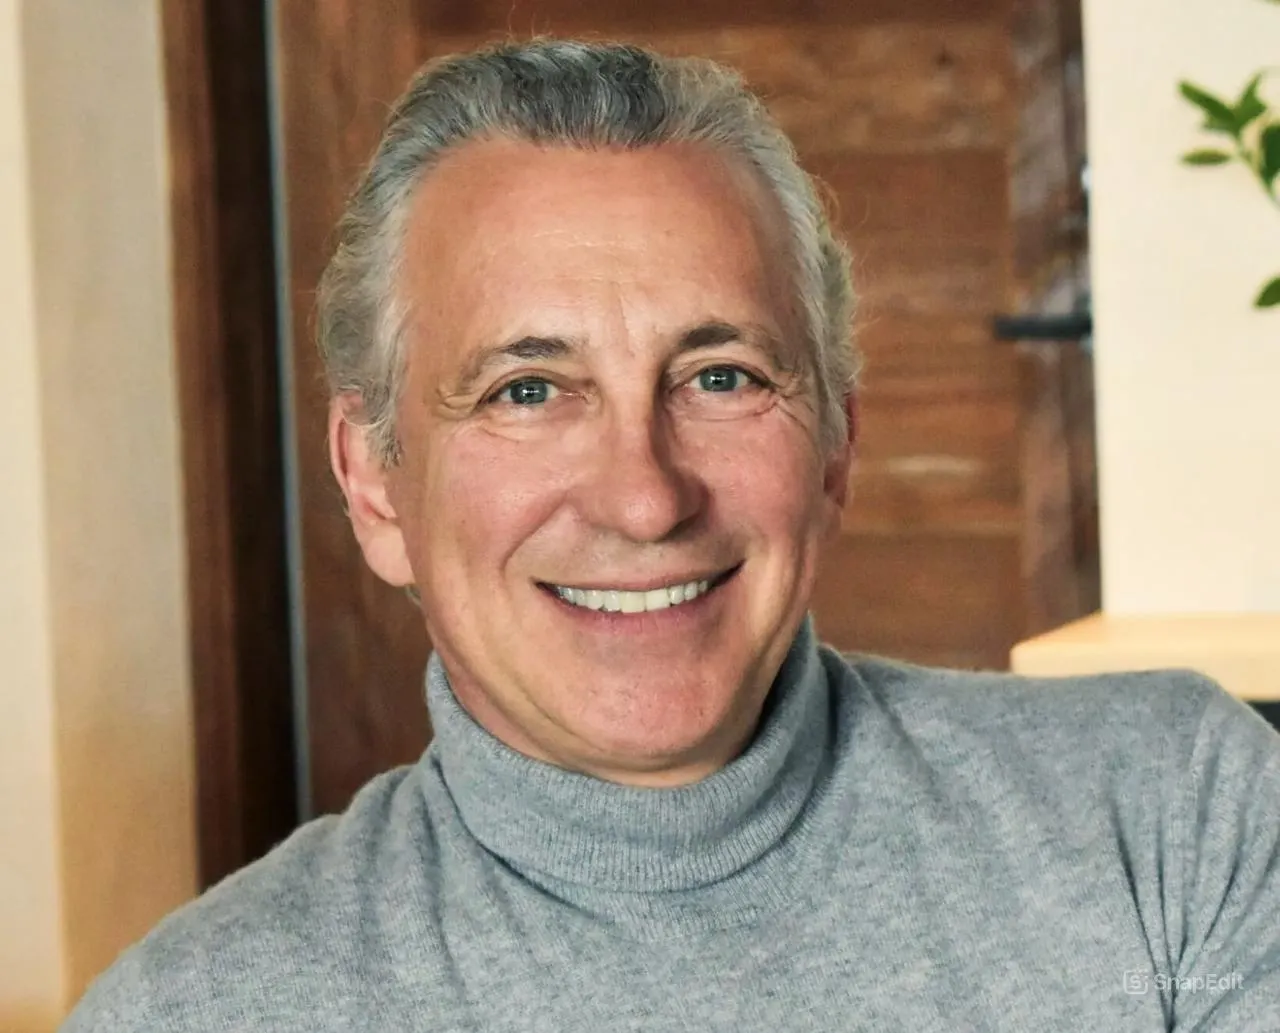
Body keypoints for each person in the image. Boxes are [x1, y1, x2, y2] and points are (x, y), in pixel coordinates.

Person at [64, 38, 1280, 1032]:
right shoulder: (197, 1010)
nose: (643, 499)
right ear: (375, 484)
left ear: (835, 446)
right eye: (527, 390)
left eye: (719, 377)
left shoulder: (1171, 818)